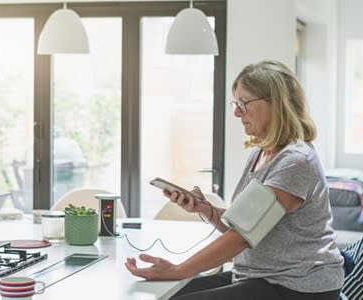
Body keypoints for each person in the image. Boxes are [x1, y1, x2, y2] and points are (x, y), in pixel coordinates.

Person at [124, 60, 344, 300]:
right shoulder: (260, 154)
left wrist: (178, 270)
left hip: (297, 286)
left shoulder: (296, 161)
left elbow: (241, 237)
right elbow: (242, 224)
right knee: (165, 294)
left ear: (276, 104)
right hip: (258, 276)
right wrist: (205, 209)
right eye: (236, 103)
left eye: (244, 103)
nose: (237, 112)